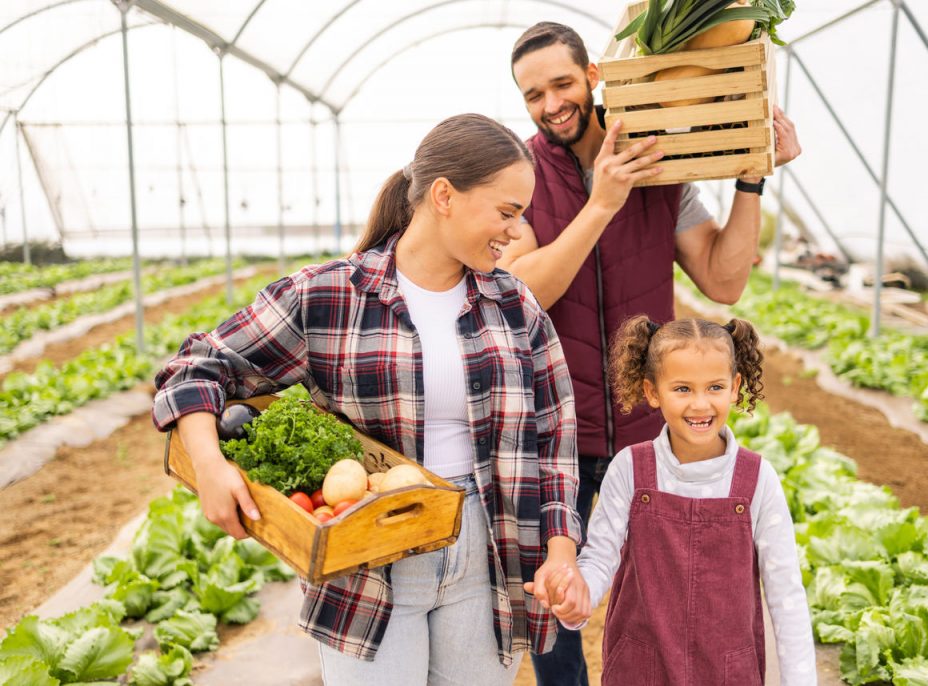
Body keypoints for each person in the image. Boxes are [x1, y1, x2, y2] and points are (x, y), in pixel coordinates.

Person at [151, 113, 588, 685]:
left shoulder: (514, 306)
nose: (516, 230)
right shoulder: (328, 294)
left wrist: (560, 550)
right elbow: (194, 367)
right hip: (366, 557)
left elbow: (554, 438)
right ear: (444, 196)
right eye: (507, 212)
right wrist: (209, 466)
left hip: (487, 553)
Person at [503, 22, 803, 684]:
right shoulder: (519, 177)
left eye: (561, 84)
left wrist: (752, 183)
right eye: (532, 95)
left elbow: (723, 279)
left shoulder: (661, 166)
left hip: (647, 438)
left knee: (660, 611)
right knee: (555, 615)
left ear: (594, 77)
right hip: (554, 439)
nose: (551, 104)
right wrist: (602, 204)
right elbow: (522, 292)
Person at [533, 315, 817, 685]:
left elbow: (786, 595)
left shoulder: (757, 479)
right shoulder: (630, 469)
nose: (700, 405)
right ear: (652, 392)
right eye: (682, 389)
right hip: (639, 670)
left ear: (735, 388)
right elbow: (600, 558)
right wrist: (575, 600)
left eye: (714, 387)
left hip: (728, 674)